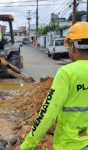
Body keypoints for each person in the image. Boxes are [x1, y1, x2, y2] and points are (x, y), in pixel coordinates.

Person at [20, 22, 88, 150]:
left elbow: (47, 114)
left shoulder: (67, 73)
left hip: (69, 145)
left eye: (68, 46)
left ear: (73, 46)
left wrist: (27, 145)